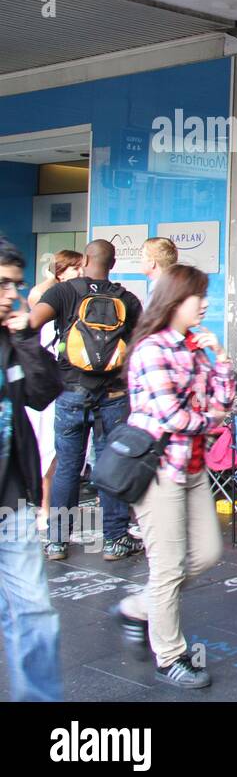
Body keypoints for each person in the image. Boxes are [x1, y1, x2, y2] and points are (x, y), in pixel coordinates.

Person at [111, 264, 235, 689]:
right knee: (166, 567)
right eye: (197, 297)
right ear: (174, 301)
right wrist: (214, 418)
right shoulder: (151, 350)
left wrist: (218, 357)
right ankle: (170, 655)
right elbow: (172, 417)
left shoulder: (197, 347)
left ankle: (138, 607)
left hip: (194, 468)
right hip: (159, 469)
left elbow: (225, 399)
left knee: (205, 554)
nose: (204, 304)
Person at [28, 239, 144, 562]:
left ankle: (57, 542)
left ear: (86, 259)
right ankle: (115, 539)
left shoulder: (64, 292)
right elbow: (141, 342)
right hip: (113, 395)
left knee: (67, 464)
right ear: (114, 262)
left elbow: (33, 322)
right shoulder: (126, 298)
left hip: (70, 390)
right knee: (111, 463)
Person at [0, 237, 64, 701]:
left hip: (12, 501)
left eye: (16, 286)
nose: (11, 295)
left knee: (35, 611)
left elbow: (43, 393)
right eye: (3, 284)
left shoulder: (11, 337)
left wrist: (24, 337)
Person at [25, 250, 83, 533]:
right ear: (61, 271)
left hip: (66, 383)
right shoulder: (47, 295)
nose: (81, 273)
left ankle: (48, 508)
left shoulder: (74, 296)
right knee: (48, 448)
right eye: (76, 268)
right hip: (48, 385)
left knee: (59, 453)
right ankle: (44, 507)